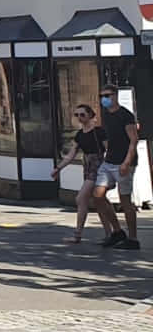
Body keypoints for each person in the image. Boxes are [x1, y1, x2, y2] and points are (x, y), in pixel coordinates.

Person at [53, 104, 116, 244]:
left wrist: (109, 166)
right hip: (88, 167)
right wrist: (58, 168)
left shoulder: (99, 132)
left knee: (81, 198)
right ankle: (111, 233)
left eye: (82, 115)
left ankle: (78, 235)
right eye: (77, 115)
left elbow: (109, 149)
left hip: (99, 167)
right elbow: (71, 155)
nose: (79, 118)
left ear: (90, 115)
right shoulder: (80, 135)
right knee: (100, 201)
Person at [97, 90, 141, 250]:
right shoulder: (106, 114)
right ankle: (117, 231)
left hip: (124, 162)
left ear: (115, 96)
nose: (104, 99)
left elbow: (133, 139)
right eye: (102, 96)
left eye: (107, 95)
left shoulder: (126, 115)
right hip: (109, 161)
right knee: (98, 195)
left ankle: (133, 238)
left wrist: (127, 162)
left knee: (125, 200)